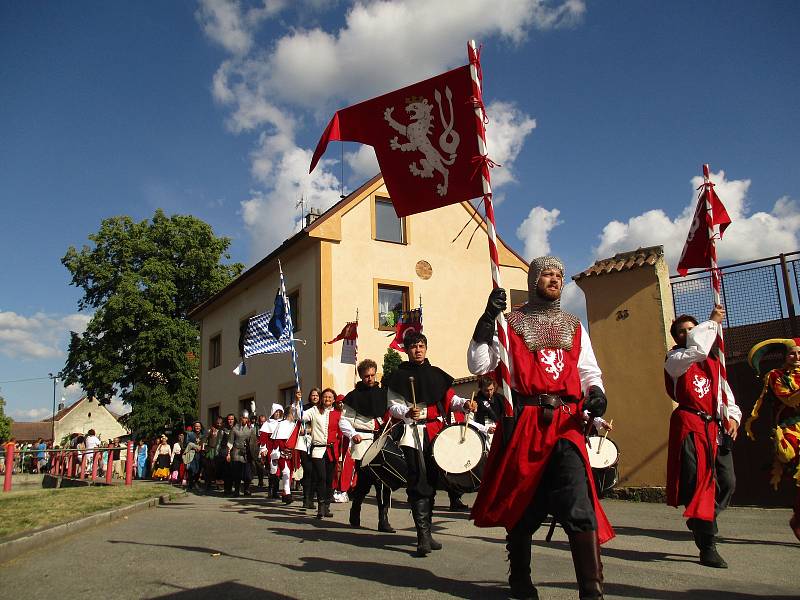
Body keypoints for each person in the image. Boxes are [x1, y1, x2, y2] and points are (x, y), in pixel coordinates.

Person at [468, 256, 613, 600]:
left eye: (559, 275)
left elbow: (589, 372)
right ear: (534, 279)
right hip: (526, 423)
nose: (554, 279)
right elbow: (478, 363)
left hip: (567, 425)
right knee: (523, 506)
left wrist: (597, 395)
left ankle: (591, 591)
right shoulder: (510, 322)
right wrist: (487, 320)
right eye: (547, 273)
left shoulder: (574, 325)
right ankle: (520, 579)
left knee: (580, 504)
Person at [664, 306, 740, 569]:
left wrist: (733, 418)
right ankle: (707, 546)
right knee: (699, 485)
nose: (687, 334)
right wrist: (712, 323)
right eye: (682, 331)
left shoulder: (713, 364)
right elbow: (696, 349)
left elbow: (725, 395)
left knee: (727, 482)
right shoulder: (675, 360)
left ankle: (700, 519)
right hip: (691, 425)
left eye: (691, 329)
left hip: (714, 428)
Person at [387, 331, 475, 557]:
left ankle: (427, 533)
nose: (418, 349)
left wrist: (465, 403)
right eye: (414, 346)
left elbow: (451, 400)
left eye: (421, 345)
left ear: (426, 348)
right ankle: (422, 536)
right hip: (413, 433)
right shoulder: (398, 376)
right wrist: (407, 411)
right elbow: (393, 406)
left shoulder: (437, 375)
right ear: (406, 350)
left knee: (433, 481)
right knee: (419, 481)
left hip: (436, 433)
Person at [745, 337, 800, 541]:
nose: (796, 357)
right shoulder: (776, 376)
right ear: (785, 356)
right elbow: (789, 398)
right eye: (792, 353)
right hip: (791, 432)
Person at [342, 358, 395, 533]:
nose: (370, 379)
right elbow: (345, 421)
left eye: (372, 375)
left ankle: (383, 519)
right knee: (364, 482)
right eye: (366, 376)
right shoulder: (353, 397)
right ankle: (355, 508)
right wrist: (353, 434)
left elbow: (392, 413)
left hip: (380, 441)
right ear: (361, 376)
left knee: (383, 481)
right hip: (362, 442)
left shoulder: (384, 393)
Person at [298, 388, 357, 519]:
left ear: (334, 399)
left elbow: (345, 427)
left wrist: (354, 435)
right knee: (321, 477)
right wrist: (298, 402)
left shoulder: (338, 414)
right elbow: (300, 416)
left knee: (330, 480)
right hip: (318, 450)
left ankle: (327, 507)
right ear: (321, 398)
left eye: (330, 397)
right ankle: (320, 506)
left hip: (332, 450)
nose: (327, 399)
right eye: (325, 397)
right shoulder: (314, 411)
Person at [292, 388, 320, 510]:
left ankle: (311, 498)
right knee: (308, 470)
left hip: (317, 442)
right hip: (305, 442)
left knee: (315, 472)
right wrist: (297, 401)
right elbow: (298, 416)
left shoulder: (321, 409)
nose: (315, 397)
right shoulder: (305, 407)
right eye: (313, 395)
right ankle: (305, 498)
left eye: (317, 395)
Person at [226, 409, 258, 497]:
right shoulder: (235, 428)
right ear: (240, 418)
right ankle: (236, 490)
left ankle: (246, 489)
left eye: (246, 418)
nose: (245, 419)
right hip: (236, 452)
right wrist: (228, 453)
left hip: (246, 453)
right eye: (244, 418)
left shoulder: (251, 429)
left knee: (247, 474)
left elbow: (254, 443)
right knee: (237, 473)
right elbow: (230, 442)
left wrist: (253, 452)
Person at [203, 418, 223, 492]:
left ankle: (219, 484)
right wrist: (204, 448)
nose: (219, 424)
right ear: (215, 423)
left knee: (219, 469)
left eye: (220, 423)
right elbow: (204, 439)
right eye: (218, 423)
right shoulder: (210, 430)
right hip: (211, 451)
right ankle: (208, 484)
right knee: (209, 469)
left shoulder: (223, 431)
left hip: (220, 451)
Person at [183, 421, 204, 491]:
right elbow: (186, 443)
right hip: (192, 454)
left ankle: (195, 483)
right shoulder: (190, 434)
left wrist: (202, 447)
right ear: (194, 427)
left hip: (200, 454)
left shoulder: (203, 435)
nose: (197, 427)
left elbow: (205, 442)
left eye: (199, 426)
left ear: (201, 427)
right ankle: (190, 484)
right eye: (196, 426)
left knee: (198, 469)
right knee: (191, 469)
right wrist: (194, 447)